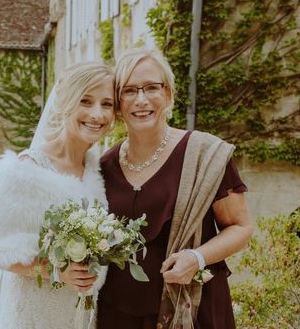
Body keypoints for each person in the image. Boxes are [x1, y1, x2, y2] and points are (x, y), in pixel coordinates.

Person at [97, 48, 254, 329]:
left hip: (193, 308)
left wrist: (197, 257)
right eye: (129, 90)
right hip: (117, 314)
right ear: (118, 104)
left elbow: (240, 227)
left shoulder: (204, 155)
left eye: (151, 88)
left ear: (168, 94)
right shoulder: (104, 166)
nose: (141, 99)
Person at [0, 61, 115, 329]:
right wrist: (55, 270)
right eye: (86, 101)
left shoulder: (95, 171)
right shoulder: (24, 170)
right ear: (65, 102)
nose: (97, 114)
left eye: (107, 104)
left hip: (79, 314)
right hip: (33, 313)